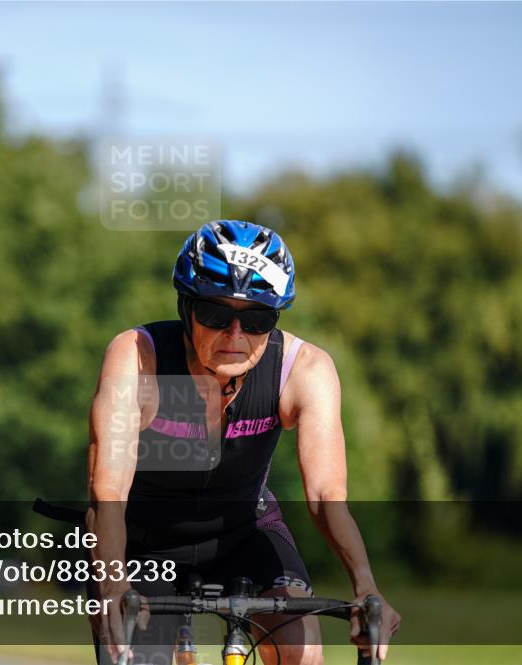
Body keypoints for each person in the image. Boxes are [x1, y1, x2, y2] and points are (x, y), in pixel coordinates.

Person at [86, 220, 400, 665]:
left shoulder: (303, 369)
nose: (235, 335)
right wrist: (113, 582)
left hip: (244, 529)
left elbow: (327, 495)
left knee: (303, 649)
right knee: (133, 655)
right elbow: (108, 492)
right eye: (215, 314)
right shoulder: (139, 357)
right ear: (185, 307)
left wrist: (365, 586)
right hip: (144, 541)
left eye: (256, 319)